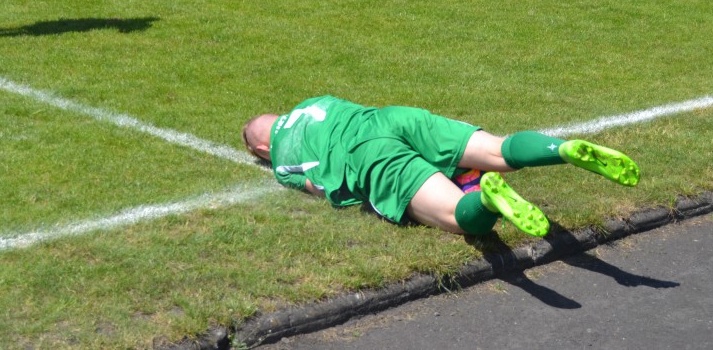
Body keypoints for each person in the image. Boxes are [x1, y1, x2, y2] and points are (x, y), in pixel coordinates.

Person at [242, 95, 640, 237]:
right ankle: (562, 148)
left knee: (456, 216)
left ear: (262, 147)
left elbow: (320, 188)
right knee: (499, 150)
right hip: (394, 118)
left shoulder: (280, 161)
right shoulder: (316, 101)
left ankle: (484, 200)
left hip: (369, 155)